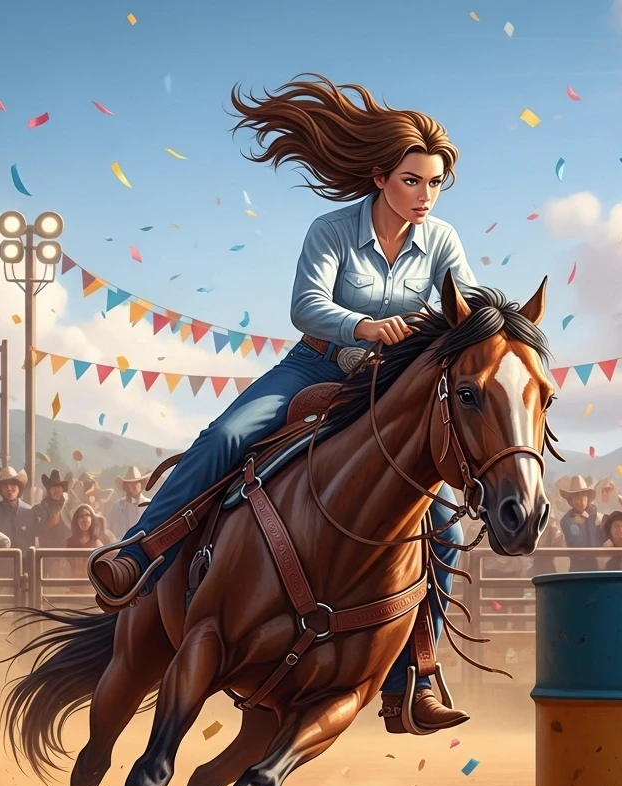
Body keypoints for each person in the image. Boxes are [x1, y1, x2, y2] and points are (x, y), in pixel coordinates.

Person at [88, 74, 477, 734]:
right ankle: (140, 554)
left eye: (434, 183)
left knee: (447, 524)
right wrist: (363, 327)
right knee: (225, 436)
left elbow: (461, 315)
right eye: (413, 180)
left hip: (394, 391)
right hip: (315, 366)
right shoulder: (330, 230)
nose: (424, 195)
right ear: (381, 177)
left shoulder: (442, 242)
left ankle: (416, 677)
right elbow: (305, 308)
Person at [0, 467, 37, 574]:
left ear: (20, 487)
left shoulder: (30, 512)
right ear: (1, 489)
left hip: (26, 568)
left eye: (13, 485)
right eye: (5, 485)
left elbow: (37, 541)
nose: (9, 489)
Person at [558, 475, 602, 570]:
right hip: (577, 565)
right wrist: (580, 524)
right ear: (571, 500)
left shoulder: (596, 516)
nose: (581, 501)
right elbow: (576, 542)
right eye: (577, 498)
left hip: (595, 565)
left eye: (584, 498)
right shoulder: (566, 520)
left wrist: (587, 518)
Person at [65, 503, 115, 580]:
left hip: (91, 587)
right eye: (81, 516)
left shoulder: (97, 543)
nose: (84, 519)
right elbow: (62, 569)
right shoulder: (68, 543)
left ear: (92, 519)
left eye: (87, 515)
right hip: (70, 588)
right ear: (76, 520)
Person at [107, 467, 150, 541]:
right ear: (127, 486)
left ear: (141, 484)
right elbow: (113, 531)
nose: (134, 486)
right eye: (131, 483)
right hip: (121, 546)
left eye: (136, 482)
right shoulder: (118, 506)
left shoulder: (149, 504)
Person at [36, 470, 73, 548]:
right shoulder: (41, 507)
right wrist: (49, 523)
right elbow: (36, 531)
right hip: (48, 550)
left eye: (59, 490)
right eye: (53, 490)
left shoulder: (69, 505)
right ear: (49, 490)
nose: (56, 493)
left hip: (67, 549)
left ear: (62, 490)